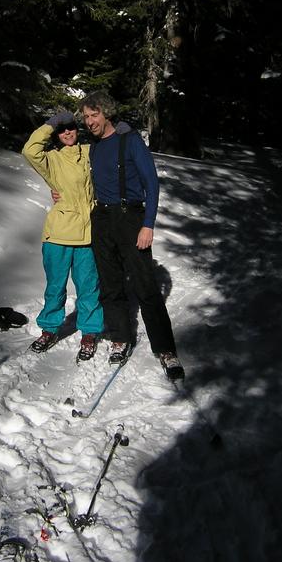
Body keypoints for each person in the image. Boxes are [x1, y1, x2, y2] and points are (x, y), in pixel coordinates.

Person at [79, 90, 184, 380]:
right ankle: (121, 338)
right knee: (110, 284)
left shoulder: (130, 140)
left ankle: (165, 349)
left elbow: (152, 183)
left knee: (144, 285)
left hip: (130, 217)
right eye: (86, 117)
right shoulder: (94, 146)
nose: (90, 121)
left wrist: (147, 224)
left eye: (95, 115)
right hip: (102, 219)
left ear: (107, 113)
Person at [22, 110, 104, 360]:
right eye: (62, 129)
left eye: (71, 128)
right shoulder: (52, 159)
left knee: (89, 287)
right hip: (59, 234)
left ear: (78, 130)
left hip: (88, 233)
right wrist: (50, 124)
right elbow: (29, 150)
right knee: (55, 287)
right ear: (56, 135)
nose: (67, 132)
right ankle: (49, 329)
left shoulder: (91, 152)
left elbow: (113, 156)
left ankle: (89, 332)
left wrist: (121, 132)